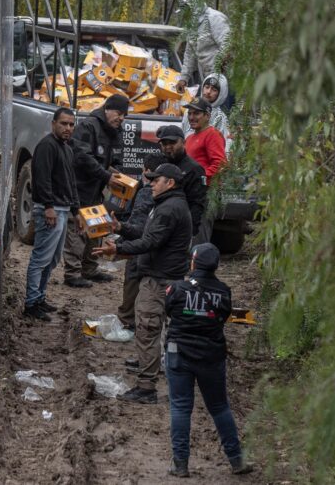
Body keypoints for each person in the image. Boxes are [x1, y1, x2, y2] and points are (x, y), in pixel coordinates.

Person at [94, 163, 192, 404]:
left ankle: (146, 387)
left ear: (170, 183)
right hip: (162, 276)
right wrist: (121, 228)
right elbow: (147, 235)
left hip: (160, 279)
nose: (150, 184)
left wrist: (118, 248)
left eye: (155, 180)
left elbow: (150, 242)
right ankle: (155, 371)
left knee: (147, 329)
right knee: (156, 330)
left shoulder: (169, 208)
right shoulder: (165, 205)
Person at [163, 243, 254, 477]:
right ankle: (237, 461)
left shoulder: (177, 289)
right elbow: (223, 317)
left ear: (193, 262)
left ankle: (180, 464)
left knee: (181, 407)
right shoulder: (224, 292)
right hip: (211, 356)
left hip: (179, 353)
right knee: (220, 407)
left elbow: (169, 311)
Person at [62, 93, 129, 288]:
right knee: (78, 230)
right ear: (107, 109)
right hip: (80, 188)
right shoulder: (88, 126)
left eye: (125, 115)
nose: (122, 118)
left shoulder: (115, 130)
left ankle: (89, 269)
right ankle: (72, 273)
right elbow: (82, 156)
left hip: (97, 189)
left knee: (97, 229)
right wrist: (106, 176)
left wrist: (118, 174)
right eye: (119, 113)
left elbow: (116, 157)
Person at [23, 107, 82, 321]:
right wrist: (48, 206)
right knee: (40, 258)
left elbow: (69, 182)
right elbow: (42, 179)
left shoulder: (66, 148)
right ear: (53, 124)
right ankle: (31, 303)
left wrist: (77, 211)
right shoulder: (47, 146)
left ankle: (39, 298)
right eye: (64, 123)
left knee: (52, 259)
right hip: (50, 210)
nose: (68, 128)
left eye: (71, 124)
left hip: (62, 210)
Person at [115, 152, 165, 332]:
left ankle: (128, 320)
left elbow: (137, 225)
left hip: (140, 248)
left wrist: (120, 239)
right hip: (160, 252)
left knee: (133, 281)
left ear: (146, 171)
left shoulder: (146, 192)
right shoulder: (175, 197)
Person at [183, 98, 227, 244]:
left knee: (200, 234)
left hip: (204, 192)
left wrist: (200, 179)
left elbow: (220, 164)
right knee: (189, 231)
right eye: (189, 113)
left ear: (207, 116)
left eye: (196, 113)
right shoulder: (190, 138)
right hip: (190, 192)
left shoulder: (212, 134)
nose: (191, 117)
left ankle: (200, 264)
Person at [175, 0, 231, 92]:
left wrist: (218, 74)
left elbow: (227, 46)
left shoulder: (215, 18)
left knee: (223, 108)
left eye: (186, 10)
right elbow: (189, 54)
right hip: (208, 80)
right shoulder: (192, 26)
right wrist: (183, 79)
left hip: (224, 80)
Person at [156, 125, 207, 237]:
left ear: (183, 143)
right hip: (158, 224)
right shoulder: (159, 165)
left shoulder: (194, 169)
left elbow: (197, 204)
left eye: (172, 143)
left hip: (181, 226)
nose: (168, 147)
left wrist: (190, 232)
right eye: (164, 144)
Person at [181, 74, 232, 149]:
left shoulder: (220, 117)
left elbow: (222, 146)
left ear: (221, 94)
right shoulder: (189, 110)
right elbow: (182, 134)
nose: (208, 92)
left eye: (214, 90)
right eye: (207, 87)